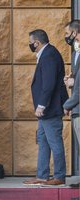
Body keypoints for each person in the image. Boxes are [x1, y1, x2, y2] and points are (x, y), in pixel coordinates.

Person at [23, 29, 68, 186]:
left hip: (50, 108)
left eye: (31, 42)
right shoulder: (47, 53)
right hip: (47, 110)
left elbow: (48, 84)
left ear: (37, 42)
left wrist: (41, 105)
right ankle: (42, 176)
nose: (30, 45)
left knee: (54, 142)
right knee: (43, 141)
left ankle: (59, 176)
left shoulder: (48, 54)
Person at [63, 20, 80, 187]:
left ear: (76, 33)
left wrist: (67, 105)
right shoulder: (76, 53)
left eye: (68, 34)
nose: (66, 38)